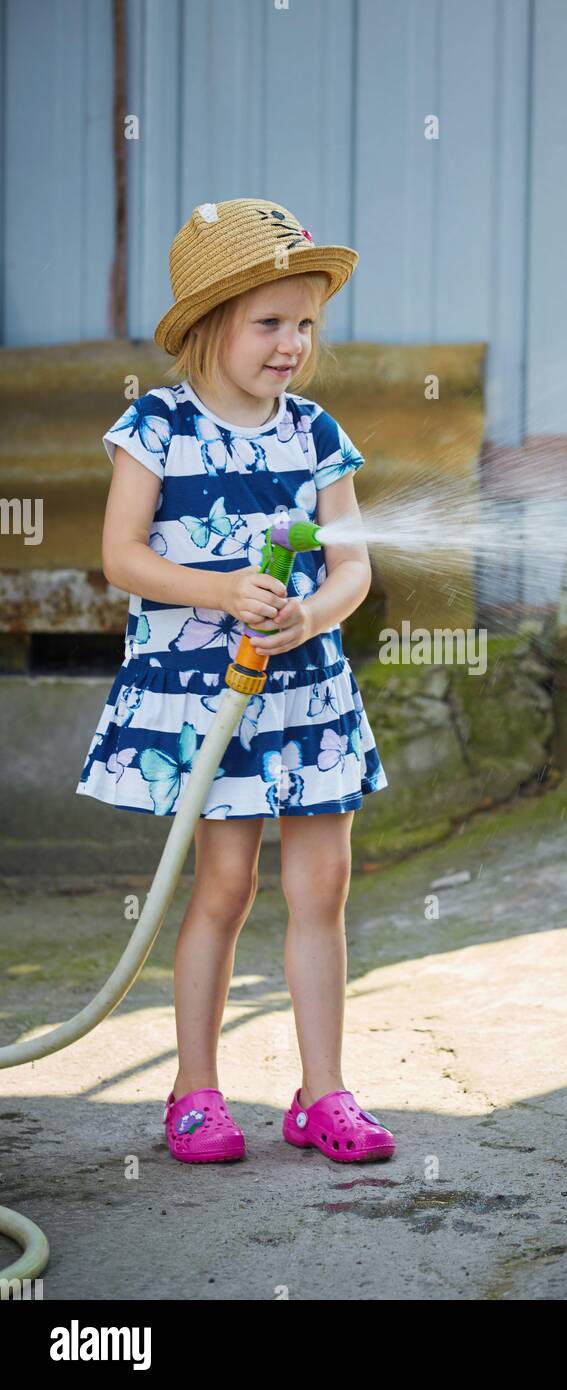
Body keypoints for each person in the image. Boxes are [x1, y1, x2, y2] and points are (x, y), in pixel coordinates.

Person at [76, 198, 394, 1164]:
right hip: (210, 699)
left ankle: (324, 1093)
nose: (292, 344)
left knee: (324, 885)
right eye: (270, 323)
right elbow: (122, 558)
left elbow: (354, 569)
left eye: (304, 324)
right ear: (208, 326)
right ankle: (196, 1091)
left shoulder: (315, 433)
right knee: (223, 886)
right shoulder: (159, 427)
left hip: (307, 694)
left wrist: (312, 613)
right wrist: (219, 592)